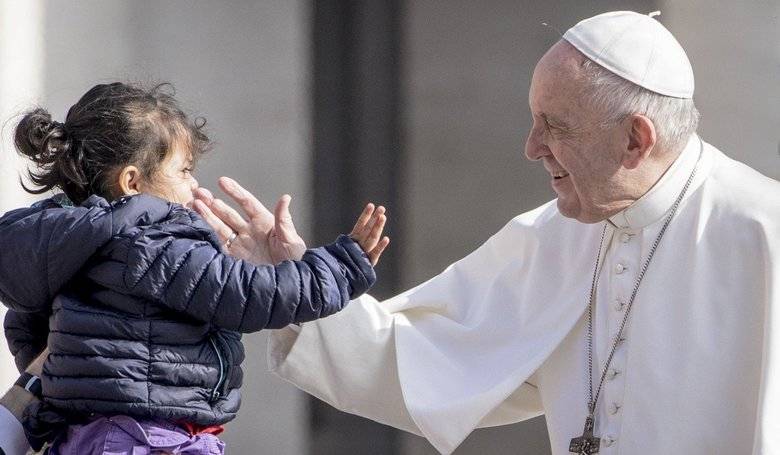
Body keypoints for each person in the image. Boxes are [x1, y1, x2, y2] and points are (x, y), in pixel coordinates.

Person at [193, 11, 780, 455]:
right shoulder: (551, 237)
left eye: (555, 127)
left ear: (636, 139)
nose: (531, 148)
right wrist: (296, 286)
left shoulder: (763, 232)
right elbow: (426, 358)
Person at [0, 82, 390, 453]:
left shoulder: (67, 241)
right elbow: (250, 294)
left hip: (96, 436)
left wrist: (82, 381)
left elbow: (27, 326)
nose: (194, 186)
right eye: (184, 171)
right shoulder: (154, 243)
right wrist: (341, 266)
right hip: (148, 439)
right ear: (132, 182)